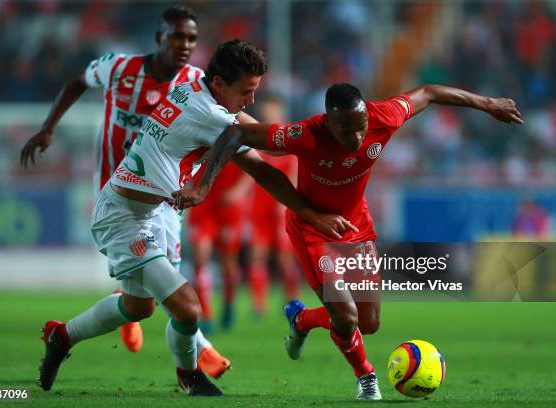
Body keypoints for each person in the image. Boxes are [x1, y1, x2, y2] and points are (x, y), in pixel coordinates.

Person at [37, 40, 355, 397]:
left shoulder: (198, 94)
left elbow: (265, 154)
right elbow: (267, 158)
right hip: (124, 216)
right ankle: (189, 376)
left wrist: (310, 210)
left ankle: (61, 335)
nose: (250, 100)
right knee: (188, 308)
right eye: (245, 92)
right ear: (219, 84)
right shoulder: (211, 116)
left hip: (150, 212)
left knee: (137, 306)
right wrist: (328, 141)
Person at [174, 83, 523, 400]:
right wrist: (203, 185)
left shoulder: (383, 116)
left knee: (367, 323)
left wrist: (488, 101)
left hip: (356, 229)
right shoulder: (305, 134)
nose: (356, 137)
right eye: (345, 130)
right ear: (328, 122)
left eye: (360, 128)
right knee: (345, 314)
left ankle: (302, 321)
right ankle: (366, 376)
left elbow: (429, 93)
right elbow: (237, 134)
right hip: (311, 230)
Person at [19, 6, 230, 377]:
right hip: (122, 196)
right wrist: (48, 127)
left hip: (167, 199)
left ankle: (106, 321)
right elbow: (77, 82)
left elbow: (227, 128)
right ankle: (198, 356)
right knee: (170, 289)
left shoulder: (196, 82)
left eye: (192, 38)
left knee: (151, 295)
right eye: (176, 35)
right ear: (158, 37)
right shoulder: (119, 67)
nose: (184, 44)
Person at [247, 95, 300, 315]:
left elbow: (295, 177)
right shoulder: (258, 139)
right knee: (257, 255)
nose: (269, 113)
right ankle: (259, 305)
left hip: (281, 210)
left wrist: (287, 203)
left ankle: (292, 302)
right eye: (266, 110)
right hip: (259, 210)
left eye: (273, 110)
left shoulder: (290, 142)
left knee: (284, 258)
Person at [187, 163, 252, 332]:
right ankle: (206, 314)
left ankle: (229, 303)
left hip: (228, 207)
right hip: (202, 205)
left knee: (228, 262)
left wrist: (237, 192)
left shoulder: (235, 138)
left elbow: (251, 169)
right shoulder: (196, 137)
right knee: (200, 258)